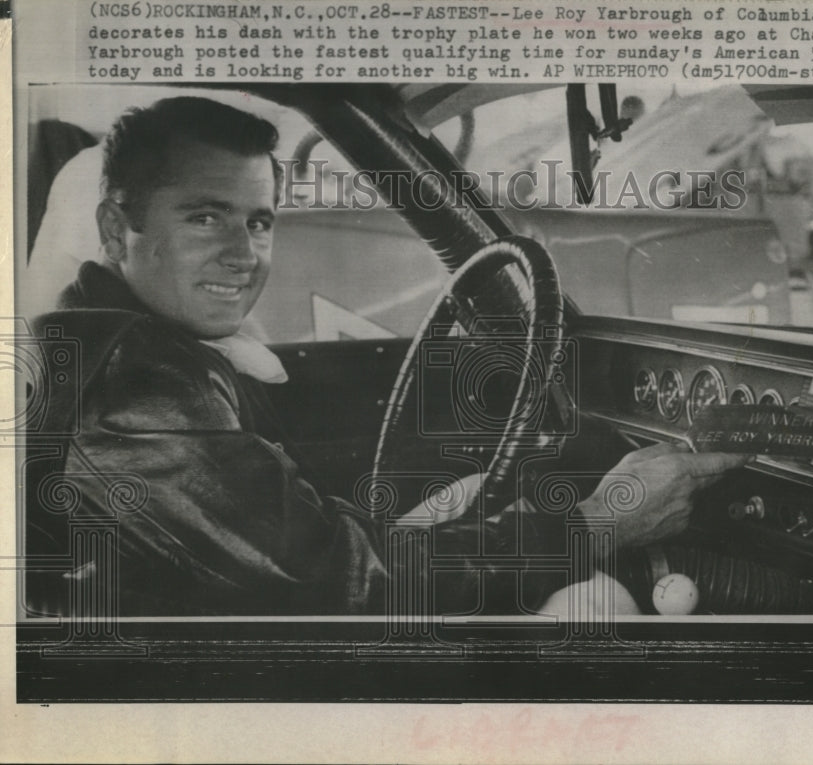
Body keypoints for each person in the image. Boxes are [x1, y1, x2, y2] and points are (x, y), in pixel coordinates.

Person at [25, 96, 748, 617]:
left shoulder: (127, 345)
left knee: (470, 499)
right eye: (204, 217)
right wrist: (602, 521)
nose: (244, 254)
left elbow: (289, 549)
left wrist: (416, 529)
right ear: (117, 231)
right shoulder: (133, 383)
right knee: (598, 605)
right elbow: (353, 589)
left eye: (259, 221)